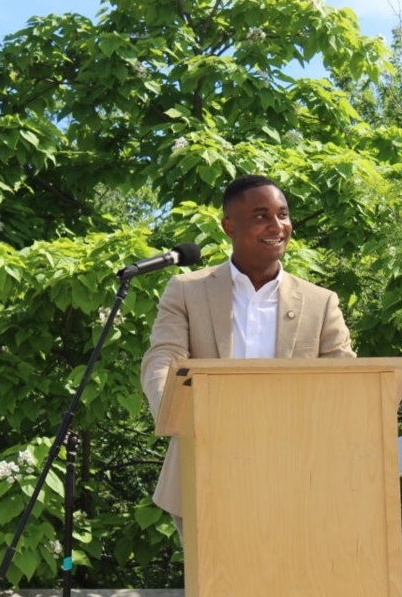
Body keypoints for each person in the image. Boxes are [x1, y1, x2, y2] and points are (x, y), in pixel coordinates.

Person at [140, 174, 356, 533]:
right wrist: (174, 415)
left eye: (283, 215)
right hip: (205, 472)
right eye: (261, 216)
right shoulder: (186, 291)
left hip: (299, 478)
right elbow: (163, 359)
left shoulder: (321, 303)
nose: (277, 226)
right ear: (229, 227)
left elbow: (346, 384)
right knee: (214, 589)